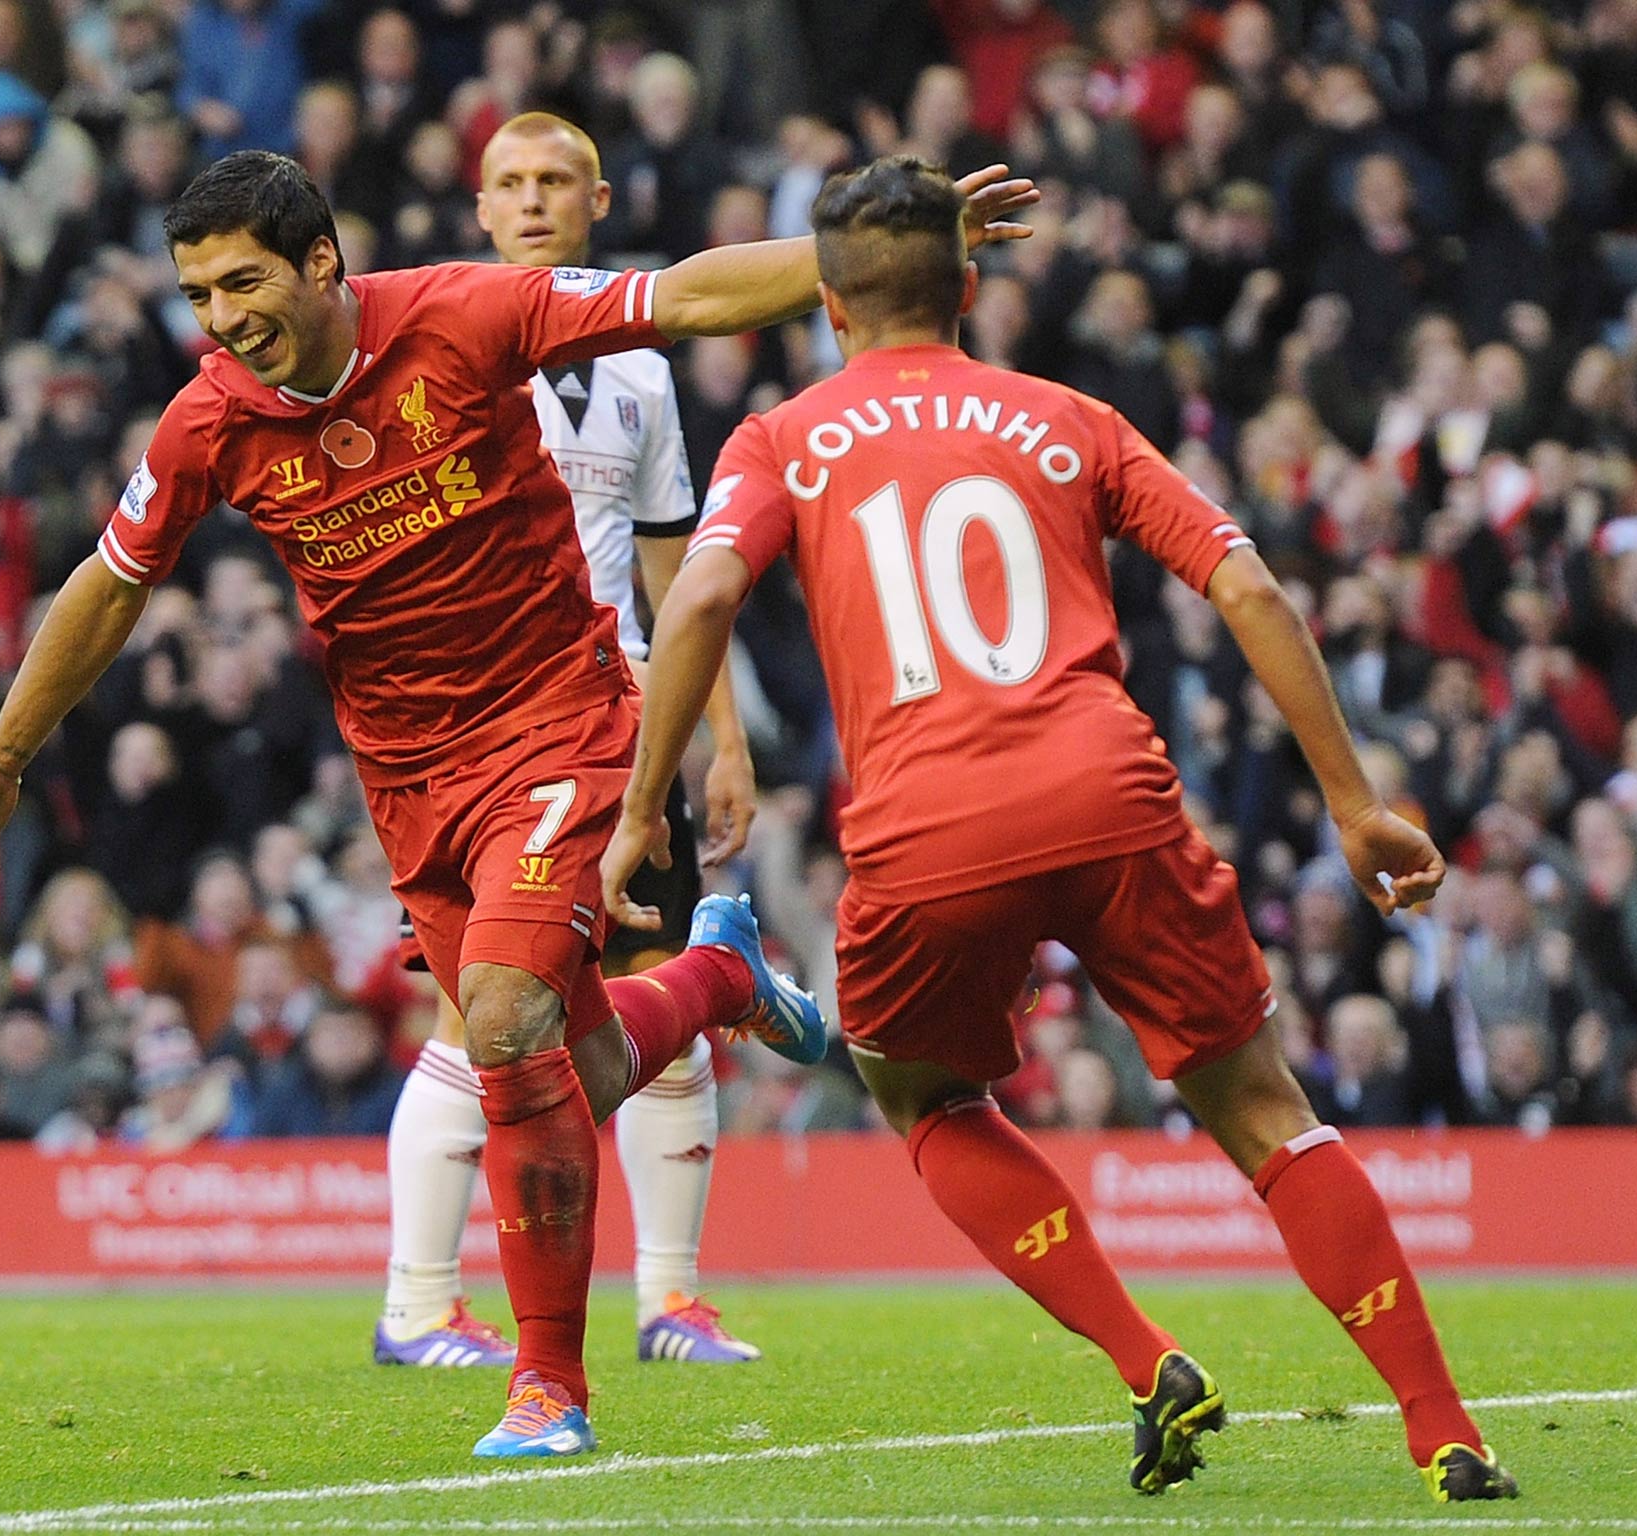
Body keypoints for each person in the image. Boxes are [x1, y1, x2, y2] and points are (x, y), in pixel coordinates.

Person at [0, 147, 1035, 1458]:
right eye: (199, 293)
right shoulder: (210, 418)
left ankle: (550, 1387)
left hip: (561, 722)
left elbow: (683, 299)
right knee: (582, 1070)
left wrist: (876, 259)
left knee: (499, 1022)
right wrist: (4, 754)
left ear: (321, 260)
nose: (221, 318)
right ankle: (721, 979)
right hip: (406, 780)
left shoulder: (462, 313)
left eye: (242, 282)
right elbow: (110, 582)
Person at [601, 157, 1516, 1503]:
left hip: (925, 834)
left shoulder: (784, 438)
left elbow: (694, 606)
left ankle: (1150, 1361)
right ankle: (1445, 1429)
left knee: (919, 1094)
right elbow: (1248, 585)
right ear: (968, 286)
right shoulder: (1069, 418)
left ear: (829, 311)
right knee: (1266, 1113)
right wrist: (1352, 800)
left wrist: (639, 812)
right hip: (1109, 796)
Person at [377, 112, 763, 1374]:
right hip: (485, 729)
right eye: (511, 184)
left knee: (638, 1008)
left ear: (597, 199)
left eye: (556, 182)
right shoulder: (434, 351)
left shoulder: (642, 366)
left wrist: (722, 739)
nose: (534, 202)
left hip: (617, 721)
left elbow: (677, 575)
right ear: (477, 208)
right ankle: (418, 1303)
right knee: (480, 1014)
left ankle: (669, 1301)